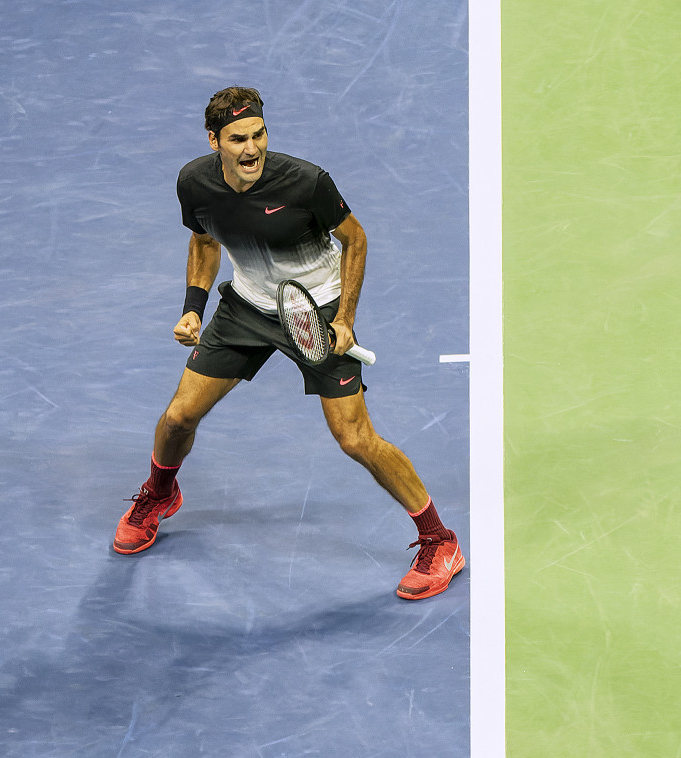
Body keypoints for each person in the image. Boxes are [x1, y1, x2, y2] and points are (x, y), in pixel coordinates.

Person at [113, 86, 464, 601]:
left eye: (258, 135)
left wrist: (344, 319)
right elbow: (205, 239)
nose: (251, 148)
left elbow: (356, 238)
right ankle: (159, 493)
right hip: (248, 307)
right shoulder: (195, 182)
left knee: (355, 438)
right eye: (238, 139)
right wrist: (193, 306)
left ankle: (441, 541)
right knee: (178, 417)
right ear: (215, 141)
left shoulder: (306, 182)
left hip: (315, 311)